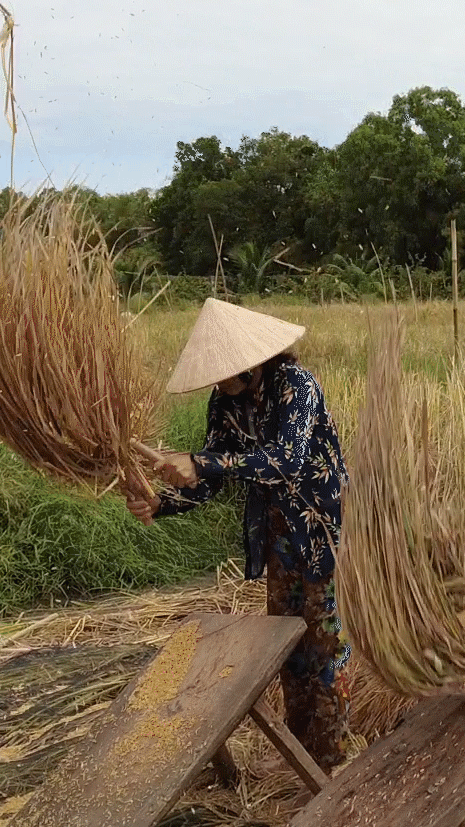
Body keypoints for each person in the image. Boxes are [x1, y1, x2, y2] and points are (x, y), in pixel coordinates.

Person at [125, 297, 352, 769]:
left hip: (324, 530)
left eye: (225, 373)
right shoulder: (224, 403)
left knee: (324, 644)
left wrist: (200, 461)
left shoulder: (297, 387)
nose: (219, 383)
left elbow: (285, 460)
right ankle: (300, 753)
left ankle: (331, 761)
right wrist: (163, 501)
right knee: (287, 641)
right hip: (277, 535)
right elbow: (211, 480)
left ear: (252, 363)